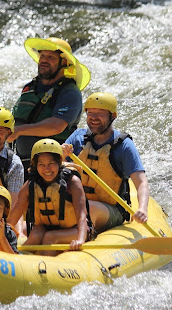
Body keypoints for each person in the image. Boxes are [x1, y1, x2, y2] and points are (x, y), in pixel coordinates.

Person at [62, 92, 149, 233]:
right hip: (78, 204)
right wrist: (60, 155)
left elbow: (141, 182)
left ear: (113, 116)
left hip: (111, 210)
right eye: (90, 113)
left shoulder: (124, 145)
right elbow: (53, 168)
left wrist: (142, 208)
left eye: (100, 113)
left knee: (88, 206)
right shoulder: (77, 137)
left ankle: (81, 232)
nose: (94, 118)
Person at [7, 37, 90, 180]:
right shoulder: (30, 87)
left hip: (51, 169)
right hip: (21, 163)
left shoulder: (69, 92)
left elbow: (56, 126)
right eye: (42, 56)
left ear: (64, 62)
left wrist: (20, 130)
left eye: (51, 57)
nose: (44, 60)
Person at [7, 139, 92, 255]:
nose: (46, 169)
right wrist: (0, 235)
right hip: (45, 228)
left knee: (50, 237)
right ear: (35, 165)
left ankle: (42, 264)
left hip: (74, 230)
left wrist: (80, 240)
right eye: (41, 164)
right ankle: (19, 259)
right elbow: (13, 217)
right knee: (36, 234)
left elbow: (82, 216)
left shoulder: (72, 182)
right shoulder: (30, 185)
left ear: (59, 162)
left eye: (51, 163)